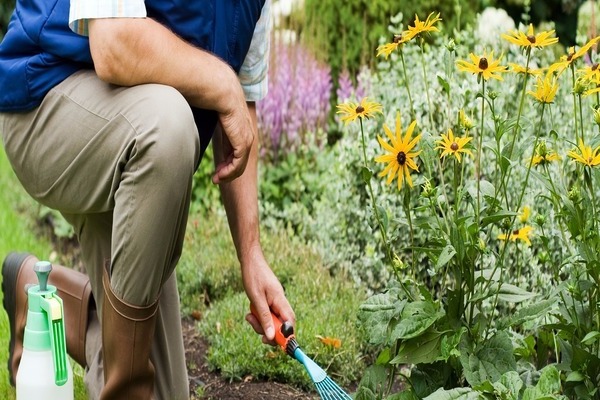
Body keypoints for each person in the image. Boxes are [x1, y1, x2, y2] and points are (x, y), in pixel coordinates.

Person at [0, 0, 295, 399]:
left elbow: (240, 109)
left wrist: (251, 253)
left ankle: (47, 303)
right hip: (46, 98)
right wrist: (222, 84)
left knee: (167, 391)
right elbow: (115, 44)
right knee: (169, 124)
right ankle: (125, 389)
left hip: (135, 138)